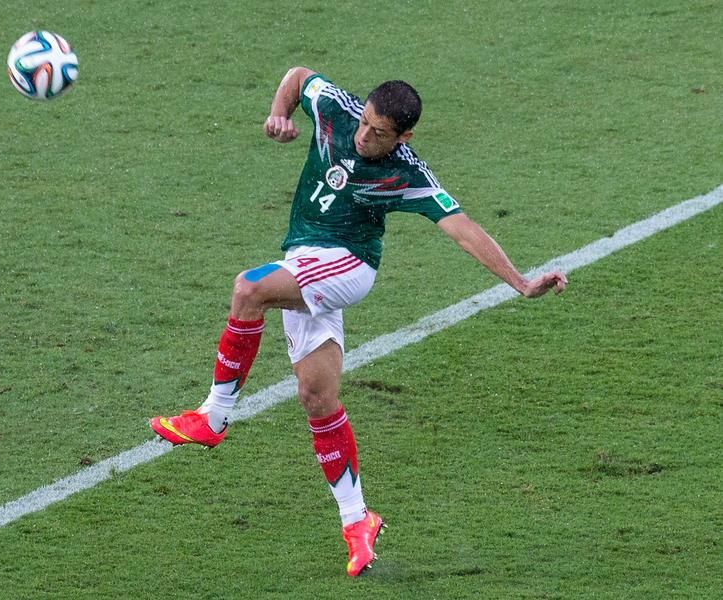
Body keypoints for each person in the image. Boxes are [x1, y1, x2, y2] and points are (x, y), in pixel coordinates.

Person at [151, 66, 568, 576]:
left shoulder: (408, 174)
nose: (366, 136)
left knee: (249, 288)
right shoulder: (337, 111)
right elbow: (298, 75)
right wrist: (279, 114)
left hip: (348, 264)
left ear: (404, 137)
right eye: (366, 123)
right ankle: (358, 521)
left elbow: (463, 230)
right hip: (303, 260)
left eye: (380, 133)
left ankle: (213, 417)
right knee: (317, 397)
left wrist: (522, 283)